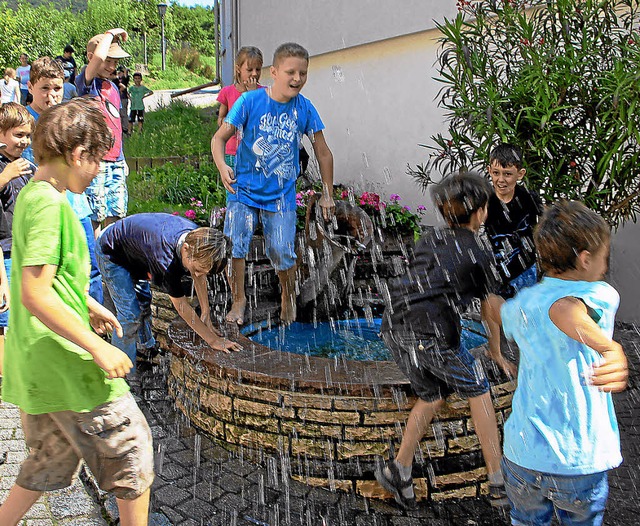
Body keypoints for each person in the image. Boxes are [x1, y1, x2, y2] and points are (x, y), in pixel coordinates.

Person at [0, 98, 153, 526]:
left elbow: (49, 278)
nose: (99, 171)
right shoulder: (51, 206)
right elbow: (34, 293)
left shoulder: (35, 194)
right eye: (97, 161)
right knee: (130, 448)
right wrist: (98, 349)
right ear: (77, 154)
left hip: (36, 365)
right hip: (64, 360)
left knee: (49, 460)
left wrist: (88, 304)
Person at [375, 172, 516, 510]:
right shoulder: (479, 252)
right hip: (431, 335)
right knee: (478, 388)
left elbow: (424, 285)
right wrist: (497, 349)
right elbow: (489, 308)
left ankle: (400, 469)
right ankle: (497, 480)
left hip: (393, 328)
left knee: (434, 392)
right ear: (481, 212)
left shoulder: (430, 239)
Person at [500, 200, 628, 526]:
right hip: (577, 460)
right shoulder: (600, 293)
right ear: (585, 259)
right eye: (604, 256)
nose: (605, 264)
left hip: (522, 454)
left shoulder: (526, 301)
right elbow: (564, 310)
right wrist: (610, 349)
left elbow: (499, 310)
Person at [211, 42, 335, 325]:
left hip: (281, 195)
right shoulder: (249, 102)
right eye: (291, 72)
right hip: (242, 190)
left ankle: (287, 297)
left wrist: (327, 193)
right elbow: (218, 139)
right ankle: (239, 300)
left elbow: (323, 152)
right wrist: (221, 166)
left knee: (281, 249)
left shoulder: (304, 108)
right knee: (236, 245)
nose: (297, 79)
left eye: (303, 73)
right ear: (274, 72)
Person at [96, 213, 242, 369]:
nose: (198, 275)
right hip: (111, 250)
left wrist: (205, 311)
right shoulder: (166, 263)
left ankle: (146, 348)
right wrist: (213, 340)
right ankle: (120, 374)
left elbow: (199, 274)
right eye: (197, 269)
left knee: (143, 302)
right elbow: (182, 307)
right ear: (185, 249)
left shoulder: (200, 241)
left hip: (135, 247)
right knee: (130, 315)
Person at [23, 57, 103, 304]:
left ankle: (93, 327)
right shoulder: (23, 122)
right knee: (51, 275)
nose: (51, 95)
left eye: (57, 88)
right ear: (30, 87)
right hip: (44, 211)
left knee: (91, 270)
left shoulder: (69, 119)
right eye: (44, 88)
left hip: (77, 208)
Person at [75, 28, 130, 236]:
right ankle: (98, 262)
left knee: (117, 210)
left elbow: (116, 126)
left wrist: (122, 158)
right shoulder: (86, 85)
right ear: (92, 59)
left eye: (115, 62)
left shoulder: (113, 87)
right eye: (108, 60)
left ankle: (112, 256)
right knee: (97, 211)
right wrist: (111, 34)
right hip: (96, 160)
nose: (112, 66)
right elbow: (97, 57)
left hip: (115, 159)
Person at [0, 103, 35, 375]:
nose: (24, 141)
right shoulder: (5, 167)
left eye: (27, 136)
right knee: (5, 316)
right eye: (18, 135)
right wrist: (4, 178)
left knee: (22, 314)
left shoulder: (24, 165)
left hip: (23, 248)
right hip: (4, 252)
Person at [484, 143, 543, 298]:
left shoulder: (530, 200)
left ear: (520, 174)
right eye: (496, 173)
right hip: (496, 274)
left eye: (507, 174)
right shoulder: (484, 202)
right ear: (489, 170)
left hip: (526, 272)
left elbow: (543, 229)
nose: (501, 180)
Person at [216, 46, 264, 169]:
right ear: (238, 69)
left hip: (255, 152)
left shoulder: (264, 93)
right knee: (233, 185)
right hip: (232, 150)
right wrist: (229, 124)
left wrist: (252, 95)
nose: (254, 73)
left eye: (258, 69)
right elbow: (221, 118)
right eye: (249, 70)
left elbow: (261, 118)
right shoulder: (227, 92)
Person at [117, 66, 130, 136]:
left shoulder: (125, 79)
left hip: (123, 98)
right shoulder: (115, 79)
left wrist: (125, 71)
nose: (119, 74)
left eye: (120, 72)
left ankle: (125, 128)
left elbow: (126, 76)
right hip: (117, 99)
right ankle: (120, 128)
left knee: (123, 114)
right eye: (118, 72)